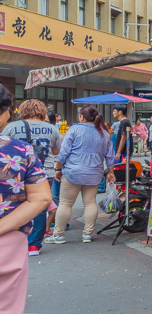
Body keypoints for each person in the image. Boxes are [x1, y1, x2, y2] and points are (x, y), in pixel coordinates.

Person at [0, 84, 52, 314]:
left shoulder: (12, 128)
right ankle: (36, 242)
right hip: (8, 238)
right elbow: (40, 200)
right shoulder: (22, 150)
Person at [2, 99, 62, 256]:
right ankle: (34, 244)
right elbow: (56, 151)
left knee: (16, 203)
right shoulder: (52, 128)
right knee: (40, 206)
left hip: (16, 172)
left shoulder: (11, 127)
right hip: (45, 170)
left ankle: (16, 239)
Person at [48, 107, 116, 244]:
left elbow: (63, 153)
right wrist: (110, 172)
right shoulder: (104, 134)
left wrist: (57, 168)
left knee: (65, 204)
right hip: (94, 173)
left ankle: (58, 234)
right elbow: (110, 156)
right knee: (90, 203)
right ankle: (87, 234)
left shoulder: (74, 130)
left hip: (72, 172)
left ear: (81, 117)